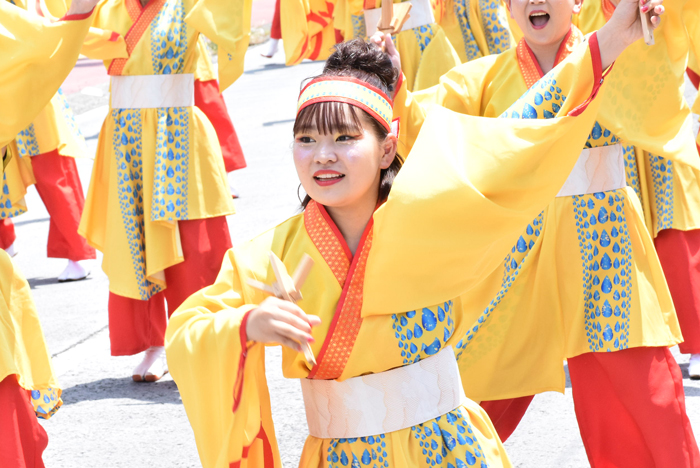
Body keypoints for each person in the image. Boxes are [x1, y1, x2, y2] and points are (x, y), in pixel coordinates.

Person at [165, 11, 651, 464]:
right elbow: (188, 328)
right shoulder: (270, 255)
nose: (322, 156)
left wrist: (609, 39)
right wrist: (248, 323)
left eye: (345, 139)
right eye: (306, 140)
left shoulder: (427, 213)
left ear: (387, 149)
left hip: (449, 447)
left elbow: (516, 132)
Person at [377, 0, 700, 464]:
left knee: (644, 407)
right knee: (462, 394)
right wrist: (391, 82)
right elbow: (426, 128)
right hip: (516, 258)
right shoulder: (484, 79)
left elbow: (657, 89)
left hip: (603, 255)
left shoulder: (611, 54)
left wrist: (648, 24)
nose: (535, 2)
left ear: (577, 3)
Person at [76, 0, 248, 382]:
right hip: (127, 138)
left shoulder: (188, 4)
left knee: (195, 244)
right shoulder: (107, 8)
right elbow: (68, 32)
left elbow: (230, 20)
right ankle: (156, 341)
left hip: (177, 133)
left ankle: (203, 339)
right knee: (134, 240)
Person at [573, 0, 700, 382]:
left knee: (676, 229)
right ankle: (629, 344)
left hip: (662, 117)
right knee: (617, 235)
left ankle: (695, 340)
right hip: (605, 120)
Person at [0, 0, 99, 464]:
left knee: (58, 180)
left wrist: (77, 18)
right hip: (32, 104)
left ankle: (77, 248)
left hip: (40, 107)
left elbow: (49, 41)